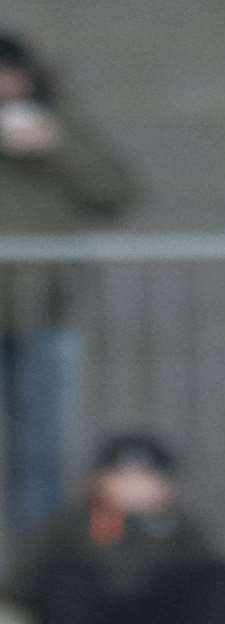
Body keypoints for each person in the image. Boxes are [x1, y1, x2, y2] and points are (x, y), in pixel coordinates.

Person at [0, 32, 137, 544]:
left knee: (39, 455)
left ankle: (34, 567)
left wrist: (55, 146)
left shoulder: (59, 127)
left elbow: (116, 191)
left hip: (43, 314)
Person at [3, 434, 225, 624]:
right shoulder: (71, 525)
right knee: (68, 578)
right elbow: (24, 580)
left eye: (144, 478)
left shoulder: (182, 528)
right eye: (122, 477)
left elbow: (212, 583)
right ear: (98, 482)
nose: (133, 487)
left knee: (213, 577)